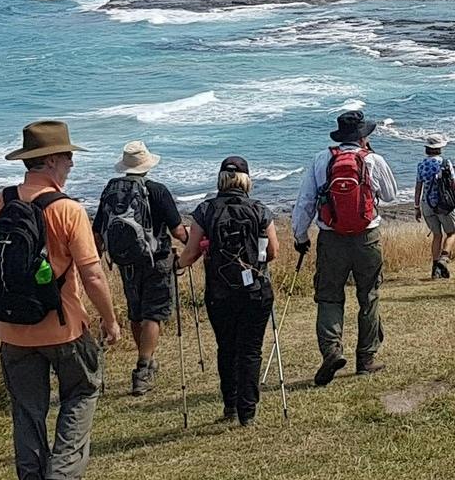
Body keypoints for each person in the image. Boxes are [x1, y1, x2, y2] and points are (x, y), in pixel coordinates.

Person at [0, 120, 120, 480]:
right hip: (63, 326)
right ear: (52, 161)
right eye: (68, 157)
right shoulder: (68, 210)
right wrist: (110, 320)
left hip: (12, 330)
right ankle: (64, 474)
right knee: (83, 390)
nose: (72, 163)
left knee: (27, 412)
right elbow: (92, 274)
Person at [290, 109, 399, 386]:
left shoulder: (322, 159)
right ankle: (366, 358)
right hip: (367, 236)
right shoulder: (373, 159)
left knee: (329, 297)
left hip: (331, 237)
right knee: (369, 296)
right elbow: (390, 195)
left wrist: (300, 235)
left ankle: (331, 351)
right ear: (363, 137)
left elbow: (305, 201)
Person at [177, 156, 280, 426]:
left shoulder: (206, 210)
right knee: (250, 349)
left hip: (220, 292)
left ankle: (230, 406)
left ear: (221, 179)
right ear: (246, 180)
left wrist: (175, 265)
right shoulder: (259, 209)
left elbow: (190, 254)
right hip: (256, 290)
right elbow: (273, 252)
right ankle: (248, 412)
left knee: (227, 348)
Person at [92, 140, 189, 395]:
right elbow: (178, 230)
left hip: (126, 261)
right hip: (157, 259)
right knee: (153, 314)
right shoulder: (157, 191)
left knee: (136, 313)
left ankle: (146, 359)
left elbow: (98, 233)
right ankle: (143, 368)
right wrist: (196, 244)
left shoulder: (111, 190)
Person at [413, 134, 455, 279]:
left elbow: (418, 187)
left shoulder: (421, 165)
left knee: (436, 235)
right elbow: (454, 186)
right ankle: (444, 259)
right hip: (443, 204)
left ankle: (435, 270)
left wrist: (416, 207)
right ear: (440, 148)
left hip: (426, 204)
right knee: (451, 233)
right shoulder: (445, 163)